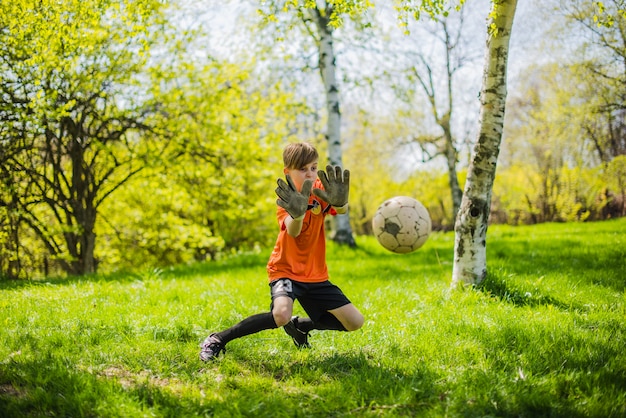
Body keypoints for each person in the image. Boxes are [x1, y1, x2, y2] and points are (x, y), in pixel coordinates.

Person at [199, 142, 364, 361]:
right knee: (280, 314)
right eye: (303, 168)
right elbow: (293, 232)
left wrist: (342, 203)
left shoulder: (320, 189)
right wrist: (297, 213)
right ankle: (218, 339)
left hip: (315, 274)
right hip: (285, 269)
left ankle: (300, 326)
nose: (310, 173)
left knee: (354, 322)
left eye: (314, 167)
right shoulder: (286, 198)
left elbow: (338, 209)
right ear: (288, 171)